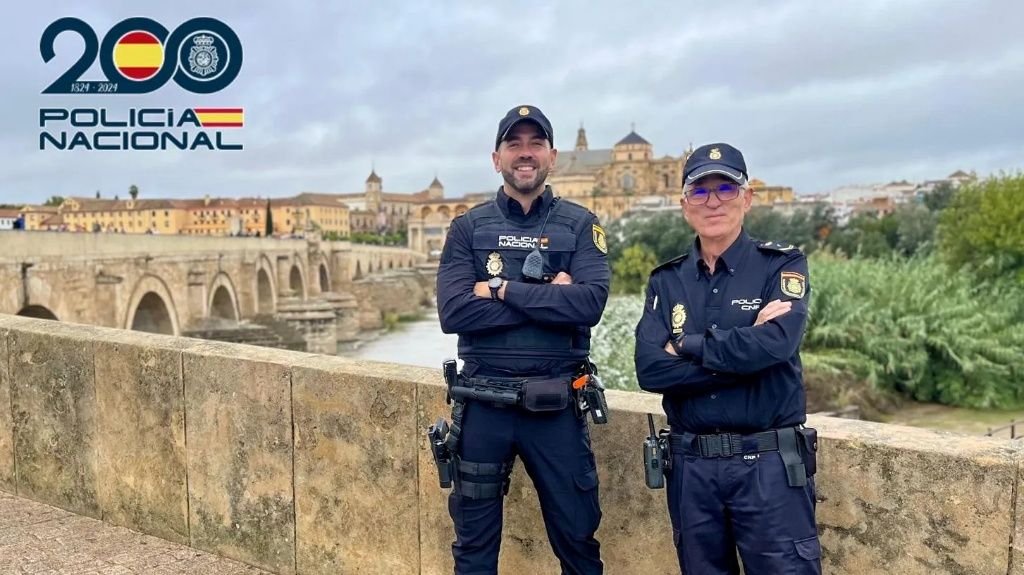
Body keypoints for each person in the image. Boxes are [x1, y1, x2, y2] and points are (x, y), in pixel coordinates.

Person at [433, 105, 611, 574]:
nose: (525, 154)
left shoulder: (579, 224)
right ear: (497, 159)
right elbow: (453, 312)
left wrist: (499, 288)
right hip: (482, 406)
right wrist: (548, 299)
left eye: (535, 144)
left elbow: (589, 304)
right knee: (473, 547)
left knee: (577, 540)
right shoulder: (468, 228)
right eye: (515, 144)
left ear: (552, 156)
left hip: (555, 408)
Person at [634, 143, 821, 574]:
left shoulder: (781, 265)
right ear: (684, 205)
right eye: (700, 192)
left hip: (769, 466)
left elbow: (777, 346)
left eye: (725, 188)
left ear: (747, 198)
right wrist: (744, 357)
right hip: (692, 468)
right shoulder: (666, 280)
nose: (713, 201)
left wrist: (686, 345)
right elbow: (649, 369)